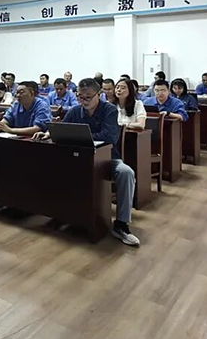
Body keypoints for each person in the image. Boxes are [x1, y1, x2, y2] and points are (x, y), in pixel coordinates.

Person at [33, 78, 139, 246]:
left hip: (108, 159)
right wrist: (48, 134)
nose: (84, 101)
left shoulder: (109, 110)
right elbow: (62, 129)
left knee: (126, 172)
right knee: (50, 164)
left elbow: (109, 137)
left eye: (88, 97)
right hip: (79, 160)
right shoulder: (75, 111)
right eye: (80, 97)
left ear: (99, 94)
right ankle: (60, 213)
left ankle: (121, 224)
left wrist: (80, 135)